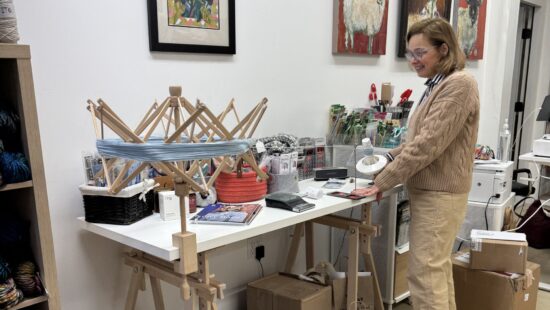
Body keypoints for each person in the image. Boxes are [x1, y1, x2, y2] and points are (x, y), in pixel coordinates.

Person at [352, 18, 479, 310]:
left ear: (444, 49)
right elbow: (419, 140)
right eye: (410, 53)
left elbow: (427, 145)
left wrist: (381, 182)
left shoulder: (459, 84)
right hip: (433, 192)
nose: (413, 61)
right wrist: (387, 157)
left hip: (440, 195)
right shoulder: (438, 84)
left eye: (420, 53)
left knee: (424, 275)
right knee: (436, 271)